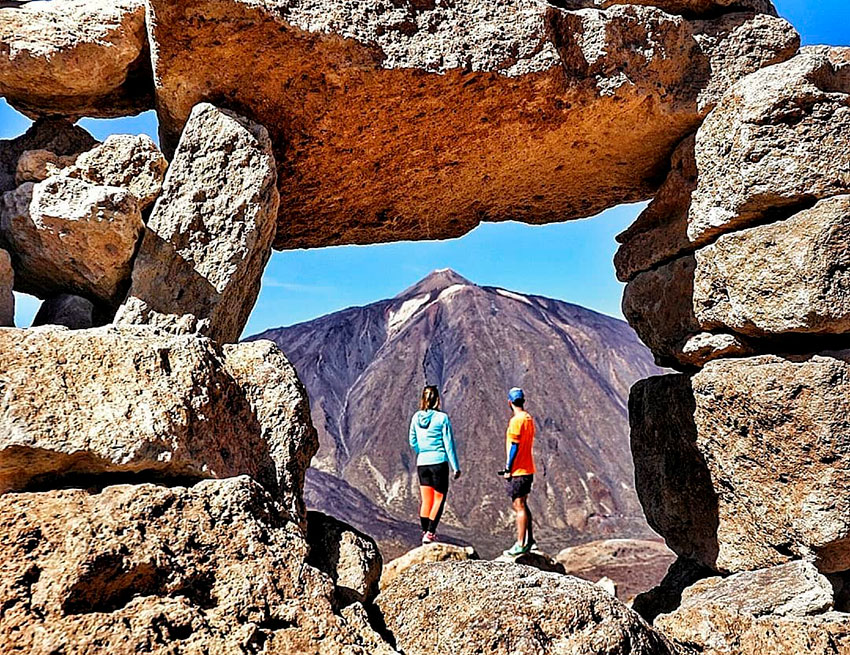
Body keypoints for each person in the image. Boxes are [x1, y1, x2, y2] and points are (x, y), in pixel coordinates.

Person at [409, 385, 461, 544]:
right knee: (439, 498)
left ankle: (425, 531)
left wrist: (422, 451)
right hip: (439, 462)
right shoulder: (442, 418)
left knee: (426, 500)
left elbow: (412, 441)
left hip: (422, 463)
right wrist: (455, 466)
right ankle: (430, 533)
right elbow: (449, 444)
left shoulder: (416, 418)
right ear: (437, 400)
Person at [502, 387, 537, 557]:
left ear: (510, 402)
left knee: (519, 506)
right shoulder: (528, 419)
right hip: (528, 468)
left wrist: (508, 467)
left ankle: (521, 543)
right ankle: (530, 540)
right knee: (524, 504)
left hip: (518, 470)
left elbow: (514, 446)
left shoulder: (516, 421)